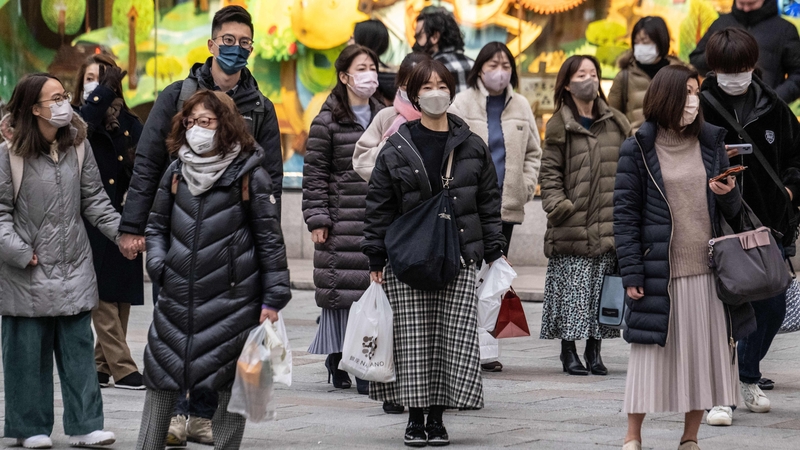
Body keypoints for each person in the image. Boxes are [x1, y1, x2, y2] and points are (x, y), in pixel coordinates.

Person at [115, 6, 282, 445]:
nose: (235, 49)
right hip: (180, 240)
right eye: (228, 41)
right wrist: (142, 237)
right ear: (211, 44)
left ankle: (203, 416)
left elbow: (272, 184)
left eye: (244, 43)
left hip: (230, 254)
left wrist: (264, 256)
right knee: (174, 341)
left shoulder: (260, 106)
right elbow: (149, 161)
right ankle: (172, 417)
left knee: (224, 343)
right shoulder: (176, 95)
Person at [135, 90, 291, 450]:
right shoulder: (177, 170)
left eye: (205, 121)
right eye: (189, 122)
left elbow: (270, 241)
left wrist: (273, 298)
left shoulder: (250, 174)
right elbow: (156, 225)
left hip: (232, 302)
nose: (196, 130)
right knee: (160, 381)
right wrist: (159, 264)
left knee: (225, 388)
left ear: (226, 124)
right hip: (176, 298)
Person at [363, 59, 506, 447]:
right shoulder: (396, 145)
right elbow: (379, 205)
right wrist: (375, 257)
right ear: (414, 95)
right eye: (427, 87)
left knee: (452, 339)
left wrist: (494, 250)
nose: (435, 92)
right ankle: (414, 418)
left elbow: (489, 202)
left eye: (442, 85)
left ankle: (438, 419)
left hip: (458, 254)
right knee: (412, 340)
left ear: (452, 91)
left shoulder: (471, 143)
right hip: (407, 258)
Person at [614, 64, 756, 450]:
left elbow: (733, 214)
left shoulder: (712, 144)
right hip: (660, 269)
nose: (694, 100)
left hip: (708, 271)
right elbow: (624, 215)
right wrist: (632, 273)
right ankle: (633, 435)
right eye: (688, 92)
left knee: (704, 358)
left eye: (697, 92)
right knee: (648, 357)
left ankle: (689, 437)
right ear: (667, 97)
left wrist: (727, 193)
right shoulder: (638, 148)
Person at [0, 73, 123, 448]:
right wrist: (20, 253)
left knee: (79, 352)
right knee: (26, 355)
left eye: (64, 95)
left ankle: (87, 425)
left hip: (74, 266)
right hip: (27, 270)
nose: (63, 103)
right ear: (33, 109)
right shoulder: (10, 154)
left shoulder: (78, 147)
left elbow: (96, 201)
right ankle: (28, 428)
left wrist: (127, 234)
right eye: (54, 98)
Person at [698, 28, 800, 426]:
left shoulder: (773, 105)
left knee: (772, 304)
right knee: (718, 308)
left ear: (753, 65)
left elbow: (795, 155)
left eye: (740, 68)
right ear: (714, 68)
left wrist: (790, 192)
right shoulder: (698, 104)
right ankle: (717, 393)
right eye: (726, 69)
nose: (734, 76)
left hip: (767, 224)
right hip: (713, 221)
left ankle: (747, 374)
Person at [448, 41, 542, 373]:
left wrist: (525, 186)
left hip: (505, 206)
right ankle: (462, 344)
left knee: (495, 276)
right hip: (469, 206)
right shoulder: (462, 102)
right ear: (480, 68)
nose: (499, 71)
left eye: (505, 65)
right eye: (492, 64)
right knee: (469, 275)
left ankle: (487, 347)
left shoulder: (521, 105)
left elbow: (534, 152)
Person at [539, 55, 630, 376]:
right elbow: (548, 173)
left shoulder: (616, 121)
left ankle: (595, 350)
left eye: (593, 72)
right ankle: (569, 351)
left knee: (602, 291)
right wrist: (560, 206)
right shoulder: (558, 123)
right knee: (573, 291)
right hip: (572, 224)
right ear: (567, 83)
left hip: (608, 222)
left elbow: (630, 170)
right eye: (581, 74)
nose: (588, 79)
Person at [302, 45, 384, 397]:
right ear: (344, 76)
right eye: (361, 67)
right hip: (339, 221)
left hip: (377, 220)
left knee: (372, 292)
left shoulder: (387, 116)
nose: (369, 74)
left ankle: (365, 361)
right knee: (342, 296)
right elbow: (315, 173)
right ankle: (338, 357)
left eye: (372, 67)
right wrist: (318, 218)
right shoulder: (327, 121)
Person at [72, 53, 146, 391]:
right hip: (87, 218)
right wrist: (101, 93)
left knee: (121, 293)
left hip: (124, 215)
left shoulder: (130, 122)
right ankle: (124, 367)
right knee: (99, 294)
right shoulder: (73, 119)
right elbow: (84, 123)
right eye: (90, 78)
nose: (96, 85)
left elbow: (146, 165)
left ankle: (100, 366)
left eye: (103, 78)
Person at [689, 0, 800, 104]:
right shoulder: (720, 24)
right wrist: (720, 55)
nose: (746, 9)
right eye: (741, 4)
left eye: (751, 4)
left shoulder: (784, 29)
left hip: (766, 108)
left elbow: (797, 74)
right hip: (722, 106)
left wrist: (775, 98)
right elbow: (696, 60)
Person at [353, 51, 431, 182]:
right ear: (399, 84)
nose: (414, 92)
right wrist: (392, 145)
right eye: (408, 86)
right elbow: (361, 161)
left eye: (421, 86)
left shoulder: (449, 115)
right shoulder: (387, 116)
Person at [608, 16, 684, 131]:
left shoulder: (680, 74)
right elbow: (613, 116)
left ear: (660, 41)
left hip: (672, 143)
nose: (640, 47)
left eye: (645, 42)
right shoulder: (624, 76)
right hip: (637, 143)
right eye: (636, 42)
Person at [413, 9, 474, 94]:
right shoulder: (474, 65)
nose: (415, 44)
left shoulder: (429, 71)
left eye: (419, 36)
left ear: (435, 37)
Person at [350, 19, 397, 104]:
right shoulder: (395, 77)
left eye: (352, 38)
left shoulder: (361, 80)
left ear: (363, 42)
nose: (348, 43)